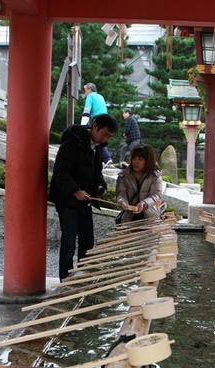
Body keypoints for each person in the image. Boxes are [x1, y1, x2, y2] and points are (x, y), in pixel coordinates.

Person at [48, 113, 119, 280]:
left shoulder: (99, 147)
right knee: (68, 245)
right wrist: (75, 191)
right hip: (67, 200)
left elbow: (97, 173)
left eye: (109, 136)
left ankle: (84, 280)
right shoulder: (74, 141)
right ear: (95, 126)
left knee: (87, 245)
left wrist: (100, 186)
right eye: (104, 134)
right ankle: (66, 284)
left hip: (85, 201)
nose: (105, 138)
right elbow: (60, 171)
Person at [115, 144, 163, 223]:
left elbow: (156, 195)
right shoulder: (123, 175)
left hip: (149, 218)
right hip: (129, 218)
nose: (136, 162)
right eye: (134, 158)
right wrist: (123, 202)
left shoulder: (155, 176)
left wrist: (143, 204)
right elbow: (120, 194)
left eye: (140, 159)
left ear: (148, 161)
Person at [81, 83, 112, 166]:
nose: (85, 93)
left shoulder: (90, 96)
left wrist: (82, 126)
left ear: (89, 90)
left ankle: (106, 158)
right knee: (102, 139)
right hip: (106, 118)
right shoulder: (100, 96)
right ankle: (106, 159)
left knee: (95, 139)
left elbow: (87, 111)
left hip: (98, 119)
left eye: (85, 91)